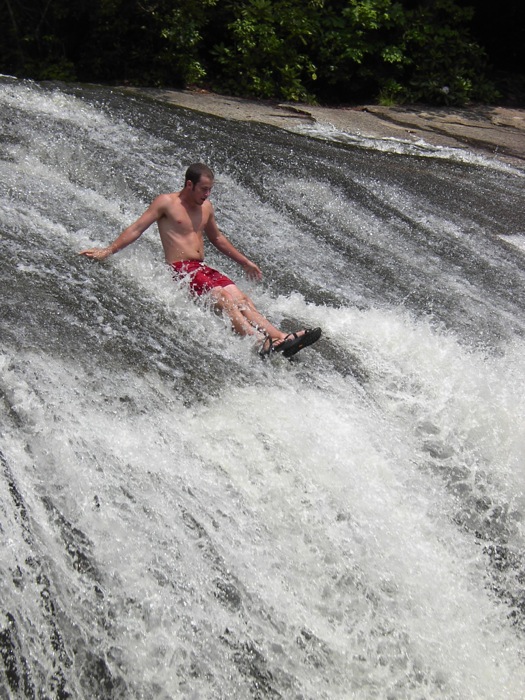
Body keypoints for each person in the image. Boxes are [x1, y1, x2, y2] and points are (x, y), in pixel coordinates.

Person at [79, 163, 321, 357]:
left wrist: (244, 261)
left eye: (210, 190)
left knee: (243, 299)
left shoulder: (206, 207)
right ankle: (258, 341)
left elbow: (218, 238)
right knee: (225, 299)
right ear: (189, 184)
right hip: (182, 269)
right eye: (203, 189)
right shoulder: (166, 203)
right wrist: (108, 250)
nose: (207, 195)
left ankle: (280, 337)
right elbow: (137, 228)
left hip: (203, 268)